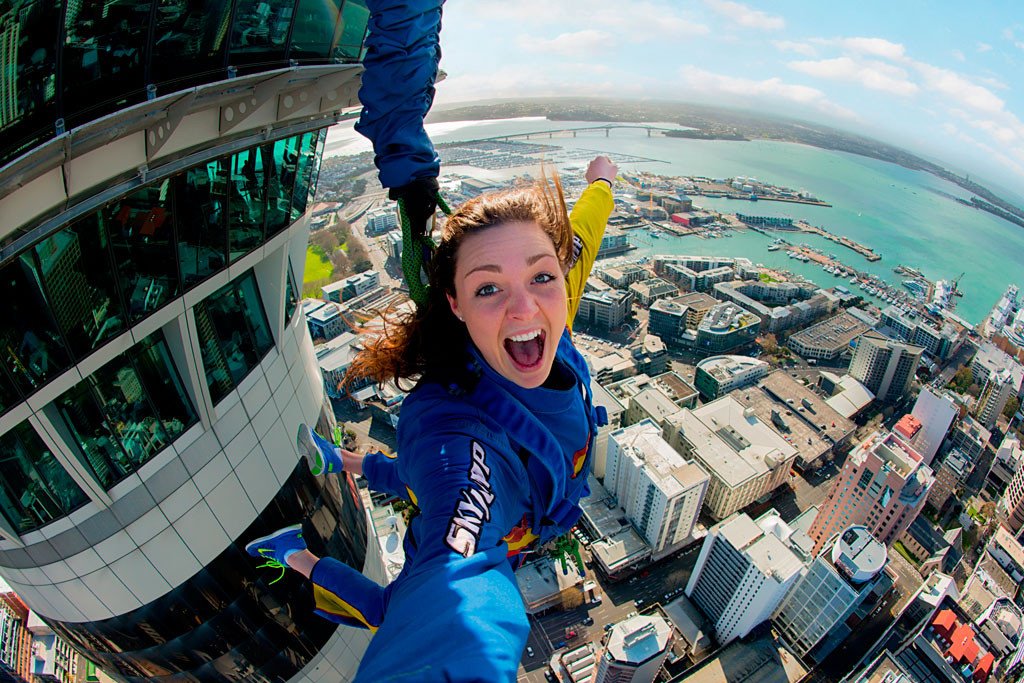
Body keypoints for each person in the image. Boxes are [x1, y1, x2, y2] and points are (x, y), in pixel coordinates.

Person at [247, 155, 618, 681]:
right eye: (488, 287)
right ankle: (293, 554)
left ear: (559, 272)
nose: (524, 308)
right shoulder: (458, 433)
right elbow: (455, 584)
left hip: (511, 503)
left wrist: (601, 181)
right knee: (388, 608)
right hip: (482, 515)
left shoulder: (553, 300)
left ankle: (338, 460)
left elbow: (584, 230)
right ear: (456, 303)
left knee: (411, 489)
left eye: (541, 275)